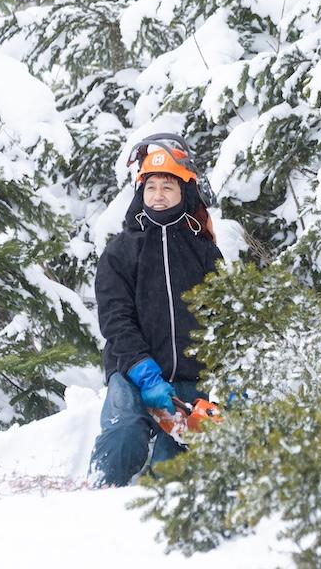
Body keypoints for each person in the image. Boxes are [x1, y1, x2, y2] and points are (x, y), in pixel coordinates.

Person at [87, 134, 223, 488]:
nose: (158, 195)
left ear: (184, 193)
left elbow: (223, 317)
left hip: (188, 380)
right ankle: (92, 500)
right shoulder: (121, 251)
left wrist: (232, 374)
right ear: (140, 192)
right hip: (133, 373)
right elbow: (115, 319)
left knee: (171, 468)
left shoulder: (205, 252)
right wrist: (143, 372)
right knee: (125, 435)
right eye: (151, 187)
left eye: (168, 187)